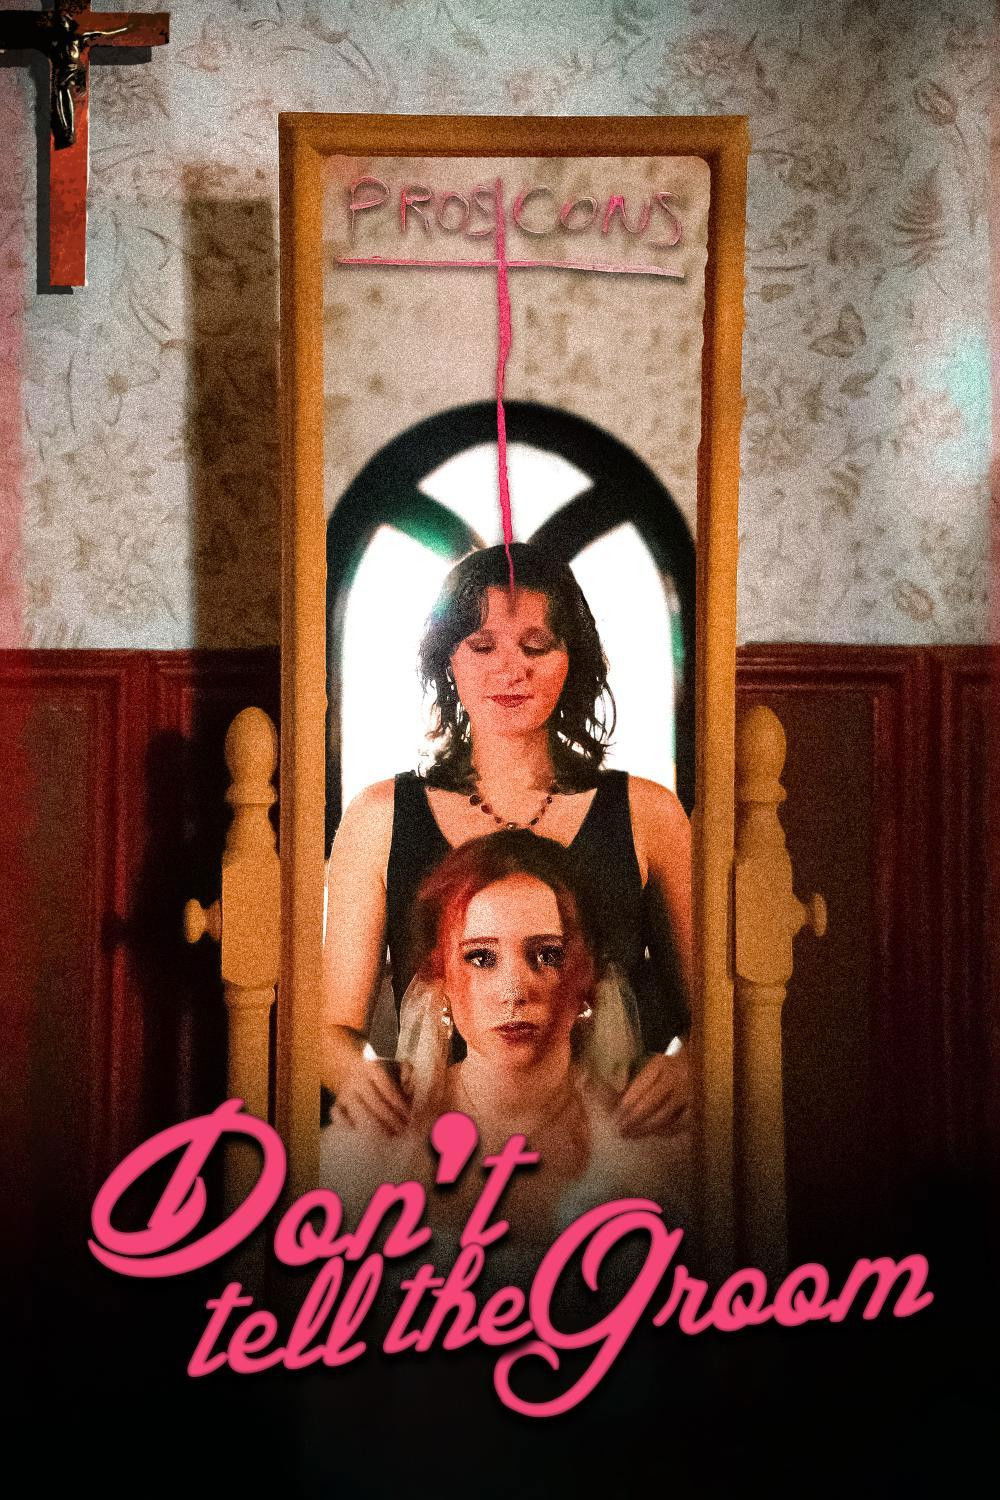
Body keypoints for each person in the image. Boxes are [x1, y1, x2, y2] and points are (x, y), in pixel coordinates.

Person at [323, 541, 693, 1141]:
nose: (509, 670)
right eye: (482, 645)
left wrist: (688, 1065)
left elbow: (714, 1013)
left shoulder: (650, 814)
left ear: (573, 659)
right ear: (448, 659)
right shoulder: (379, 816)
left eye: (536, 646)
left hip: (614, 1146)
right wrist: (355, 1074)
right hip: (437, 1145)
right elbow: (330, 1027)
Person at [320, 830, 690, 1232]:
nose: (513, 992)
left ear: (587, 976)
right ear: (441, 980)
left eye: (547, 955)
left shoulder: (653, 1144)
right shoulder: (376, 1143)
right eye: (481, 958)